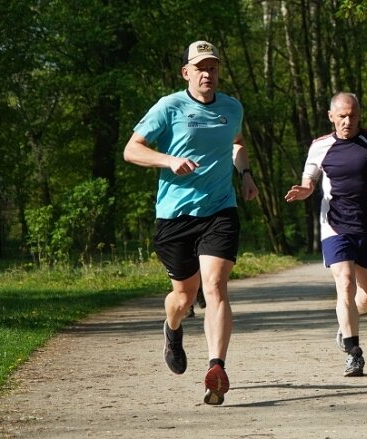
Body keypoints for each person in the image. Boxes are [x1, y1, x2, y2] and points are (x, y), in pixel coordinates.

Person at [123, 40, 258, 405]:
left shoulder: (231, 107)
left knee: (214, 286)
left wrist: (245, 174)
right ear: (186, 72)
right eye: (199, 67)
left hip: (219, 210)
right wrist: (168, 160)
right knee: (182, 297)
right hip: (174, 216)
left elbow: (237, 142)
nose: (206, 73)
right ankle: (173, 327)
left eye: (212, 67)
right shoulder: (169, 107)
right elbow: (131, 149)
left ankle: (216, 368)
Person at [285, 92, 367, 377]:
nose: (348, 121)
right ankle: (354, 353)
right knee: (345, 285)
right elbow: (309, 180)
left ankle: (345, 325)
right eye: (342, 116)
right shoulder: (320, 146)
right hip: (335, 225)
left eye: (353, 116)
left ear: (359, 115)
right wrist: (304, 190)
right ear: (331, 117)